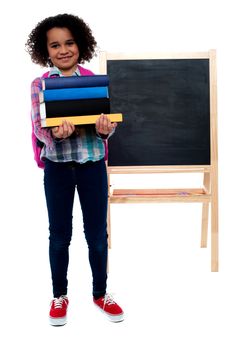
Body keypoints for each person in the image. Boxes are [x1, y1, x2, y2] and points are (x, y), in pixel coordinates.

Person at [26, 13, 124, 326]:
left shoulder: (94, 82)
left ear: (80, 45)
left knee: (97, 235)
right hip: (57, 169)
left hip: (93, 165)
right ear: (46, 51)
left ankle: (100, 293)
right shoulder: (40, 84)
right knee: (59, 235)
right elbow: (38, 126)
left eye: (69, 42)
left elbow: (105, 128)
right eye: (55, 45)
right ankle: (59, 295)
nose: (63, 49)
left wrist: (106, 128)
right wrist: (53, 133)